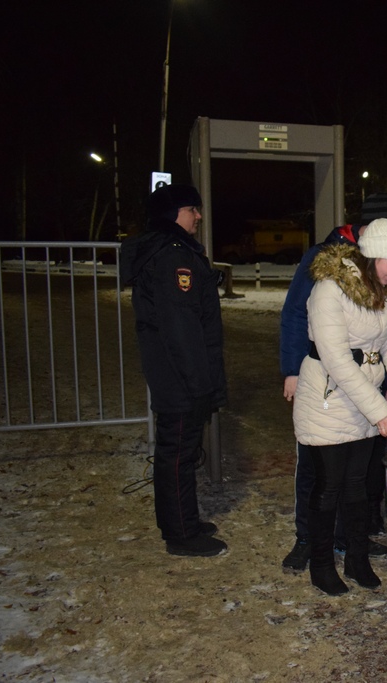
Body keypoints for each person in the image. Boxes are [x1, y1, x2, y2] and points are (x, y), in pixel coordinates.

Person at [293, 218, 387, 595]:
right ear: (372, 256)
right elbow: (335, 357)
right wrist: (379, 409)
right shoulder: (329, 289)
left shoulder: (384, 295)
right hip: (328, 398)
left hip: (363, 400)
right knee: (328, 486)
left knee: (357, 485)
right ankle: (321, 564)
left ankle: (356, 559)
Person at [279, 193, 387, 571]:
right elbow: (294, 314)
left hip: (367, 377)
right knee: (318, 469)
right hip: (324, 381)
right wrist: (292, 369)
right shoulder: (325, 258)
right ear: (369, 228)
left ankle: (351, 541)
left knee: (357, 473)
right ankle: (307, 538)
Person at [120, 183, 228, 557]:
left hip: (179, 375)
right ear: (173, 214)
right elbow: (180, 327)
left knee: (179, 451)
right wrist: (200, 385)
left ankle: (183, 520)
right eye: (191, 209)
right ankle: (181, 535)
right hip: (181, 377)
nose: (198, 216)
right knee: (177, 453)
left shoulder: (172, 252)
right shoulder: (173, 258)